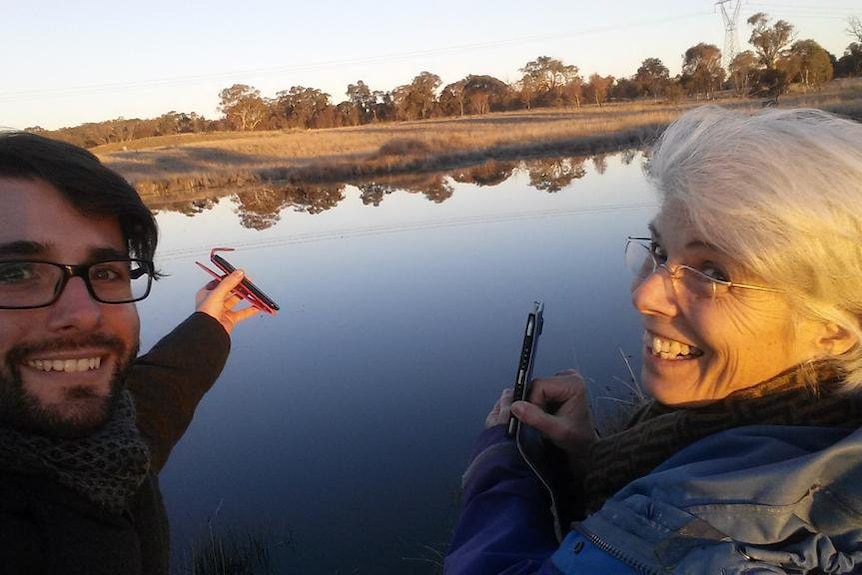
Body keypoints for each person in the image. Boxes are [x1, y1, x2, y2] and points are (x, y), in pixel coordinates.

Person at [445, 106, 862, 574]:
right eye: (660, 251)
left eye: (714, 272)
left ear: (832, 329)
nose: (645, 294)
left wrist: (501, 469)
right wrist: (587, 457)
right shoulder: (819, 434)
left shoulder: (715, 543)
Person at [0, 132, 261, 574]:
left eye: (105, 271)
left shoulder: (112, 451)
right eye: (17, 272)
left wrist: (213, 323)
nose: (85, 314)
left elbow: (160, 393)